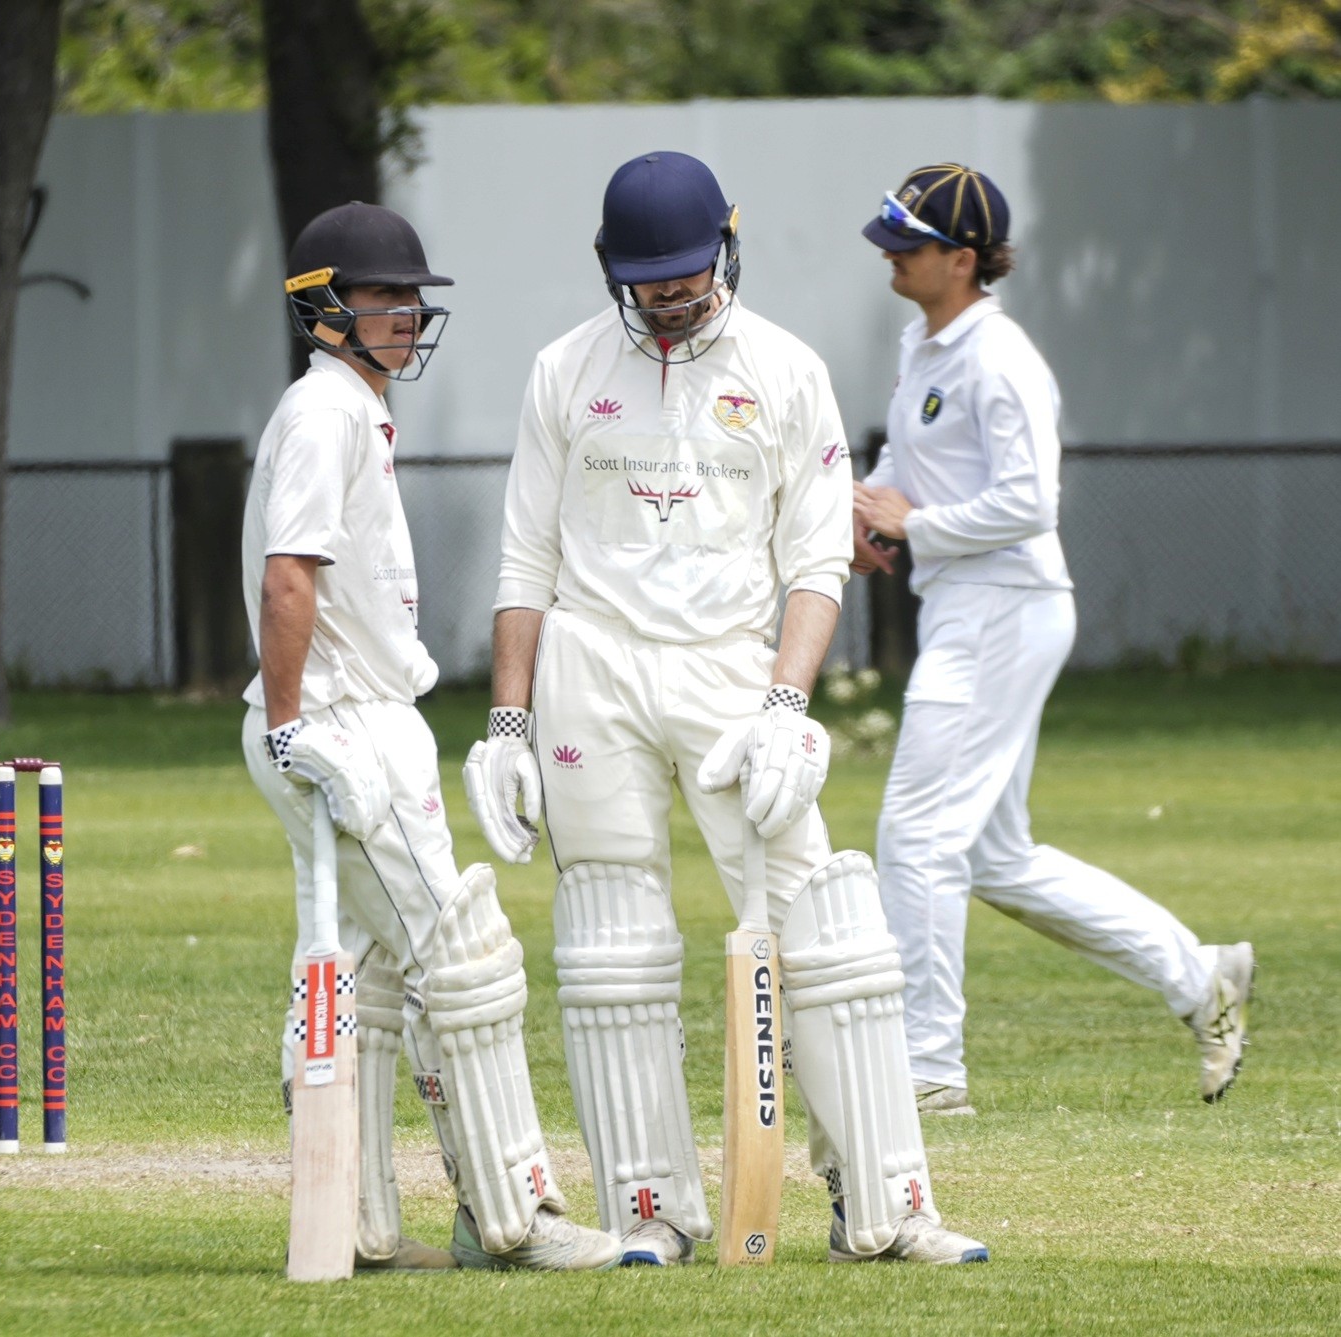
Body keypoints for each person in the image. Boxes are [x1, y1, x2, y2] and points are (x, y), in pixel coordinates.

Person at [464, 151, 988, 1267]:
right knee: (612, 938)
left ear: (725, 250)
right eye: (650, 280)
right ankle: (651, 1205)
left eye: (688, 276)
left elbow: (814, 559)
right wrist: (507, 722)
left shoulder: (788, 371)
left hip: (731, 671)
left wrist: (789, 704)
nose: (671, 297)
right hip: (590, 670)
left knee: (828, 925)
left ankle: (886, 1203)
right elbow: (525, 558)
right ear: (615, 271)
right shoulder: (565, 370)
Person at [240, 201, 621, 1272]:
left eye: (411, 298)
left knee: (369, 972)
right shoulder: (325, 414)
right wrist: (289, 724)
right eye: (379, 298)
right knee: (460, 957)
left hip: (355, 720)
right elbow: (288, 576)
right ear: (322, 311)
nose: (404, 315)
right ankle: (513, 1214)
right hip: (343, 725)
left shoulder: (347, 408)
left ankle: (356, 1219)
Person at [852, 163, 1254, 1116]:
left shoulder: (1002, 357)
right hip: (968, 601)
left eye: (907, 244)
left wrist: (917, 527)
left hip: (1002, 604)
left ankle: (928, 1069)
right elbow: (905, 464)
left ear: (962, 258)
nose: (890, 257)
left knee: (915, 835)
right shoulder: (924, 343)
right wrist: (867, 519)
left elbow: (1033, 501)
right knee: (993, 855)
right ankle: (1203, 979)